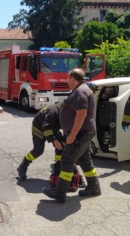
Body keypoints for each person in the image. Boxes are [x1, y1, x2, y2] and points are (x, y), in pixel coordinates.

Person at [42, 68, 100, 203]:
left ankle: (59, 192)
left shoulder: (80, 91)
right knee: (85, 160)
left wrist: (72, 134)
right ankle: (94, 187)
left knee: (67, 161)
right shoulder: (84, 90)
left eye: (68, 79)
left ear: (73, 78)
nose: (67, 81)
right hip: (85, 132)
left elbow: (81, 113)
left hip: (80, 133)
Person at [17, 102, 64, 180]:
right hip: (39, 126)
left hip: (52, 127)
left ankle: (58, 169)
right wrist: (54, 141)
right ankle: (23, 166)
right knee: (38, 150)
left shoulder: (67, 112)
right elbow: (46, 127)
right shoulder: (54, 111)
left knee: (60, 146)